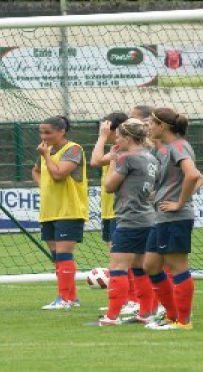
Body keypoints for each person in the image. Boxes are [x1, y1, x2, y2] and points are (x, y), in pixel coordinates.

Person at [96, 119, 158, 326]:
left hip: (130, 218)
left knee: (117, 266)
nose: (117, 141)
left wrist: (113, 159)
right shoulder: (150, 157)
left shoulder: (127, 158)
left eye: (119, 138)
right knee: (139, 267)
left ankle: (111, 316)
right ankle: (146, 312)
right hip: (148, 217)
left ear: (128, 138)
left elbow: (109, 186)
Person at [144, 108, 200, 330]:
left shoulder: (178, 146)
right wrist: (157, 194)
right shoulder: (165, 149)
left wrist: (179, 202)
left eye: (151, 122)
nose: (148, 126)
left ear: (163, 126)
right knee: (151, 265)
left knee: (177, 267)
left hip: (175, 217)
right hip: (161, 217)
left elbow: (194, 175)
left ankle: (183, 321)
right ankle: (171, 315)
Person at [32, 116, 88, 310]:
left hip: (69, 210)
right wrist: (44, 186)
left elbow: (58, 174)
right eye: (41, 132)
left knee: (64, 254)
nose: (43, 136)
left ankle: (65, 299)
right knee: (57, 256)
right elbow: (36, 171)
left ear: (61, 131)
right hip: (49, 210)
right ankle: (70, 297)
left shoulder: (73, 149)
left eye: (48, 132)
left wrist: (46, 156)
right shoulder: (46, 151)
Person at [90, 111, 141, 315]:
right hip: (109, 209)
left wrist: (102, 137)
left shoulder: (123, 150)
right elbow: (97, 160)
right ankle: (127, 299)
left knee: (123, 259)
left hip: (121, 210)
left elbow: (94, 161)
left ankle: (132, 299)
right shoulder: (116, 148)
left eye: (106, 126)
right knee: (118, 257)